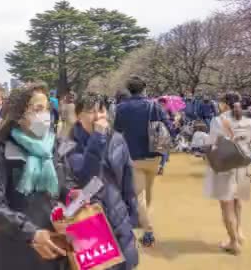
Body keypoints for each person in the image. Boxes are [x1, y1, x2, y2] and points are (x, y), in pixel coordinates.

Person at [0, 82, 75, 270]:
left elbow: (64, 183)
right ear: (20, 116)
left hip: (55, 248)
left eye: (47, 109)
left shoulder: (54, 147)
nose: (45, 115)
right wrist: (30, 233)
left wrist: (72, 194)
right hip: (16, 252)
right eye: (38, 109)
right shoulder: (2, 152)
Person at [58, 93, 139, 270]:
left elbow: (128, 179)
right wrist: (98, 137)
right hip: (88, 221)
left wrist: (132, 214)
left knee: (125, 264)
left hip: (118, 216)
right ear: (78, 116)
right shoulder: (68, 145)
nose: (98, 116)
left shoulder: (117, 139)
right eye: (91, 111)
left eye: (101, 110)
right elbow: (86, 176)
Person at [114, 75, 170, 247]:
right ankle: (145, 220)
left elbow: (117, 129)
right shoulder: (154, 105)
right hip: (154, 154)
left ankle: (148, 230)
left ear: (129, 90)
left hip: (133, 155)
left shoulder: (122, 107)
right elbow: (167, 125)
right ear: (144, 88)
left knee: (138, 194)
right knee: (149, 191)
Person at [205, 92, 251, 255]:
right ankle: (239, 232)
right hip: (244, 165)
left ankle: (233, 242)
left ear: (224, 104)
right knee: (238, 200)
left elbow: (211, 143)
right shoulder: (248, 120)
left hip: (226, 165)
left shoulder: (218, 120)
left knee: (226, 205)